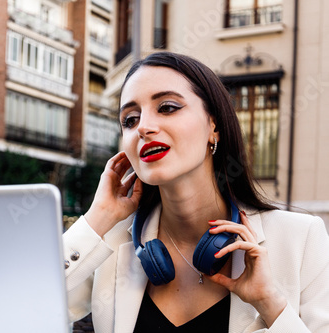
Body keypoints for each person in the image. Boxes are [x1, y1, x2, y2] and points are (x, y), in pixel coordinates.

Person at [63, 51, 329, 332]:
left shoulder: (301, 240)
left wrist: (270, 304)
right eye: (130, 120)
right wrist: (98, 217)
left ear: (213, 125)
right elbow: (23, 304)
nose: (144, 127)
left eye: (166, 107)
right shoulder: (112, 244)